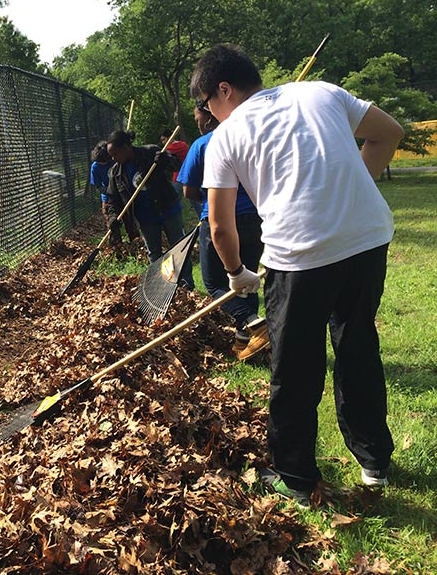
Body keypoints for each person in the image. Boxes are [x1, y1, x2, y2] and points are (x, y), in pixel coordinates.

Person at [190, 44, 404, 505]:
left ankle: (295, 475)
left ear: (223, 90)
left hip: (300, 256)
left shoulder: (224, 139)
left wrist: (235, 274)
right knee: (357, 344)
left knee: (295, 365)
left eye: (208, 104)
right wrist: (355, 188)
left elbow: (220, 226)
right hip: (367, 238)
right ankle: (374, 463)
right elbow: (390, 133)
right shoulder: (322, 92)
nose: (210, 114)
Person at [176, 107, 267, 359]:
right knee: (245, 277)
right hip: (254, 218)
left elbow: (189, 190)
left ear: (208, 116)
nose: (197, 124)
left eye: (198, 119)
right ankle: (246, 339)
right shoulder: (248, 137)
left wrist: (208, 200)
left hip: (219, 220)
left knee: (215, 283)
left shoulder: (203, 144)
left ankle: (255, 321)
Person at [104, 130, 194, 289]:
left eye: (115, 153)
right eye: (111, 155)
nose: (113, 158)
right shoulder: (116, 173)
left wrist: (166, 159)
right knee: (154, 255)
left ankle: (186, 285)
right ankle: (162, 288)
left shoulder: (150, 152)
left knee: (178, 247)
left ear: (126, 147)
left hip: (167, 209)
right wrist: (112, 217)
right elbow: (112, 200)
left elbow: (177, 165)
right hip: (145, 219)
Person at [160, 128, 198, 217]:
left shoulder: (171, 148)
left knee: (174, 201)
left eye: (164, 139)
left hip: (180, 177)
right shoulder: (183, 144)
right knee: (194, 198)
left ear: (170, 137)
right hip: (190, 174)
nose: (163, 142)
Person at [89, 141, 121, 246]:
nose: (102, 163)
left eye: (104, 161)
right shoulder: (95, 167)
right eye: (100, 162)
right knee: (111, 221)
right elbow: (98, 185)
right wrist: (108, 191)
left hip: (121, 192)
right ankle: (115, 245)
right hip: (107, 196)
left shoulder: (114, 162)